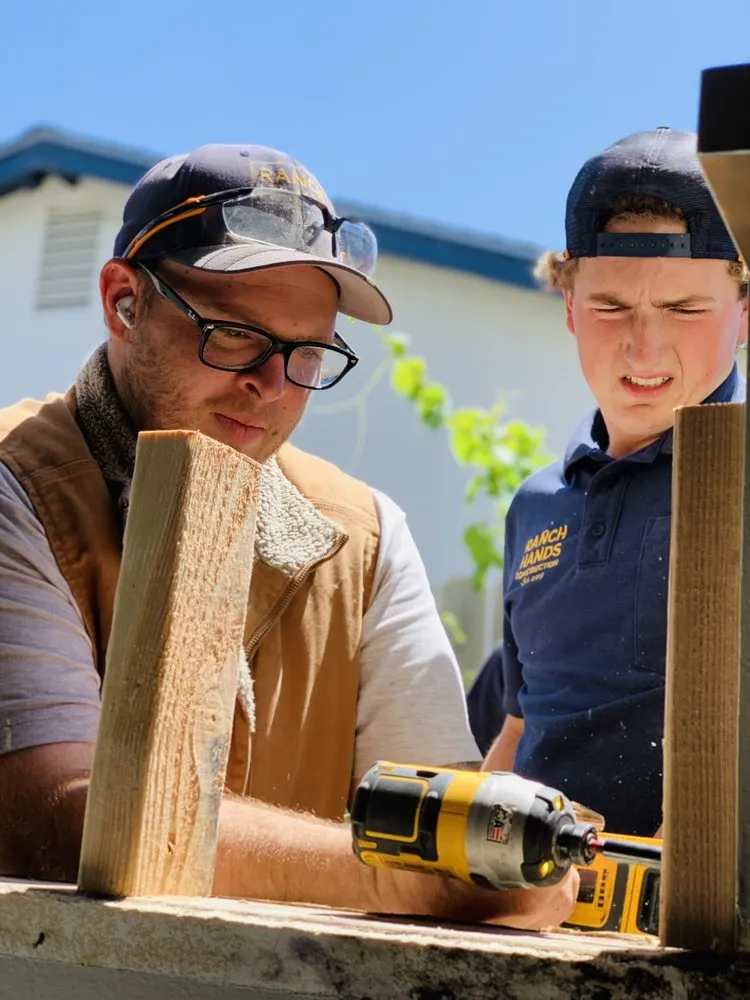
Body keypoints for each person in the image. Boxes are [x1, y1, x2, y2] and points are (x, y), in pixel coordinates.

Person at [0, 141, 576, 928]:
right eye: (233, 333)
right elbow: (60, 815)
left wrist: (473, 860)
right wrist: (403, 880)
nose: (271, 387)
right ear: (123, 301)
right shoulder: (16, 486)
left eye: (308, 353)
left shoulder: (364, 535)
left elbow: (440, 815)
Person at [472, 127, 748, 838]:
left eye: (686, 310)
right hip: (532, 916)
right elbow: (524, 725)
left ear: (744, 312)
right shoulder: (535, 505)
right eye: (611, 308)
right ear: (568, 306)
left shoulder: (743, 480)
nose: (644, 348)